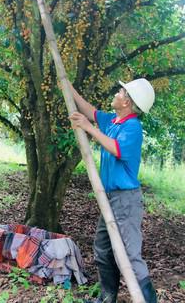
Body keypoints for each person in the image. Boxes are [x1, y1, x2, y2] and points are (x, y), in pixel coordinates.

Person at [68, 78, 158, 303]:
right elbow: (90, 111)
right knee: (103, 249)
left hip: (126, 200)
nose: (117, 93)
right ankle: (107, 299)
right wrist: (68, 87)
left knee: (129, 255)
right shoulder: (114, 121)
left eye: (120, 91)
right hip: (109, 198)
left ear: (127, 101)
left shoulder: (132, 127)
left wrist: (88, 128)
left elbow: (116, 148)